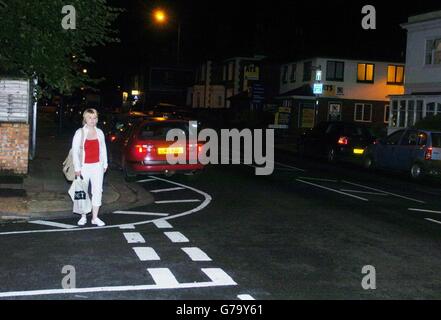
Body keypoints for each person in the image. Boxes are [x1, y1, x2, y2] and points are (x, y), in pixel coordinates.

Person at [72, 108, 108, 227]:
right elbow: (75, 152)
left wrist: (105, 164)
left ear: (97, 119)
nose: (92, 120)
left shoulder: (100, 132)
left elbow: (103, 149)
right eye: (89, 118)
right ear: (85, 119)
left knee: (97, 191)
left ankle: (95, 217)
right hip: (83, 167)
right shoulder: (80, 132)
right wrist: (77, 168)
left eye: (94, 118)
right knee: (82, 192)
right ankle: (83, 216)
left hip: (97, 166)